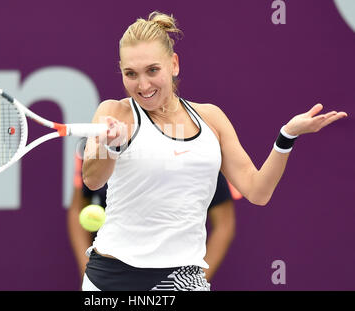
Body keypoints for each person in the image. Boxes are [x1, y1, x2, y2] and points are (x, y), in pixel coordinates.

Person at [80, 11, 348, 291]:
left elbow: (258, 191)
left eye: (152, 70)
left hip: (184, 277)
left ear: (174, 64)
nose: (143, 85)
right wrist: (110, 146)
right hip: (111, 281)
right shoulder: (112, 112)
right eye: (130, 74)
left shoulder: (211, 118)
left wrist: (287, 136)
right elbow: (93, 179)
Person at [68, 140, 239, 283]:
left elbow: (224, 224)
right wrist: (89, 274)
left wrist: (193, 282)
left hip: (170, 275)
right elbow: (78, 208)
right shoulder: (99, 140)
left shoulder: (199, 144)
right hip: (110, 275)